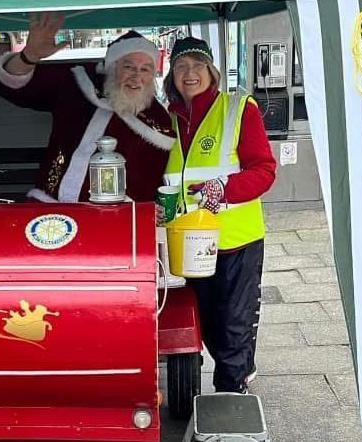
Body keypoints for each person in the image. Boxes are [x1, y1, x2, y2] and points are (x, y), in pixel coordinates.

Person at [162, 37, 277, 393]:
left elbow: (264, 170)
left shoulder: (239, 109)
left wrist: (223, 189)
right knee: (206, 325)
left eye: (197, 65)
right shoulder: (168, 120)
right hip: (187, 247)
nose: (190, 73)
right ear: (172, 76)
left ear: (211, 71)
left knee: (233, 326)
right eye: (182, 67)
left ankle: (231, 401)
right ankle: (240, 363)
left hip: (234, 241)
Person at [0, 13, 174, 202]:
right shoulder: (77, 84)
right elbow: (13, 88)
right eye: (128, 67)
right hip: (47, 208)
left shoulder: (159, 121)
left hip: (113, 219)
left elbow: (150, 185)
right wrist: (29, 56)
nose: (137, 76)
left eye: (145, 69)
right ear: (111, 68)